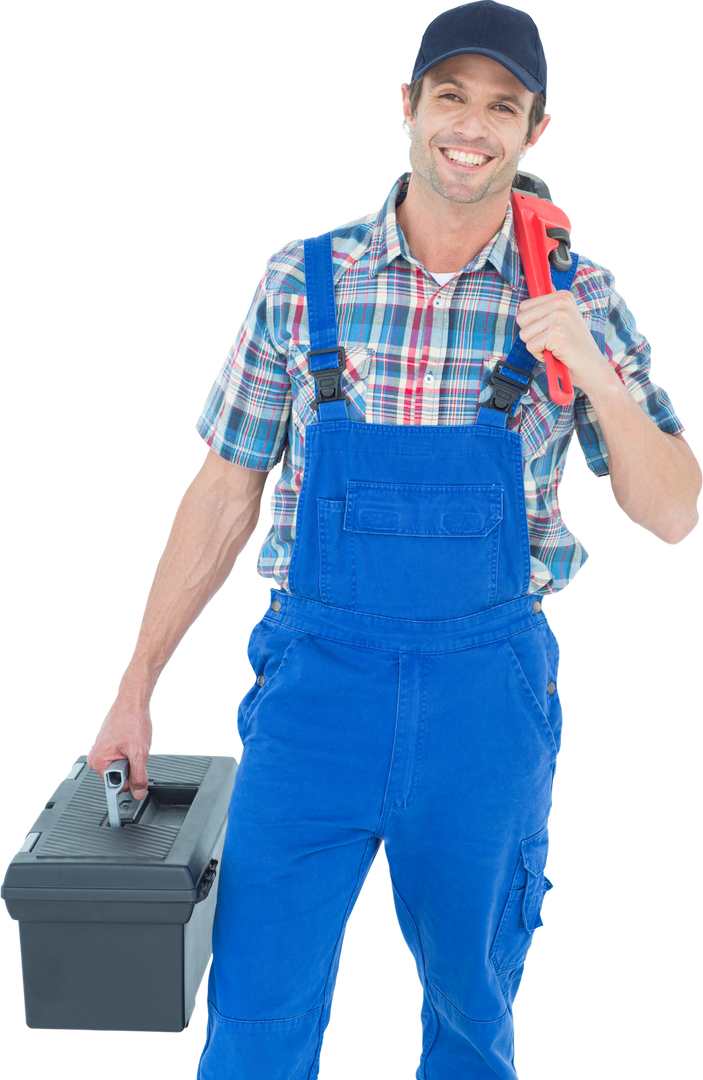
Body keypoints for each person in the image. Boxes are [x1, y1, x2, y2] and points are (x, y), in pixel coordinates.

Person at [87, 3, 701, 1077]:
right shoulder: (301, 277)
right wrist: (135, 684)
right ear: (407, 107)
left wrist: (596, 374)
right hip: (312, 695)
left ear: (534, 133)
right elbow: (224, 491)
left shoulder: (582, 297)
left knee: (470, 1019)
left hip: (486, 708)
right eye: (450, 97)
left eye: (501, 107)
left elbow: (672, 513)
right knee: (254, 1016)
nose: (472, 127)